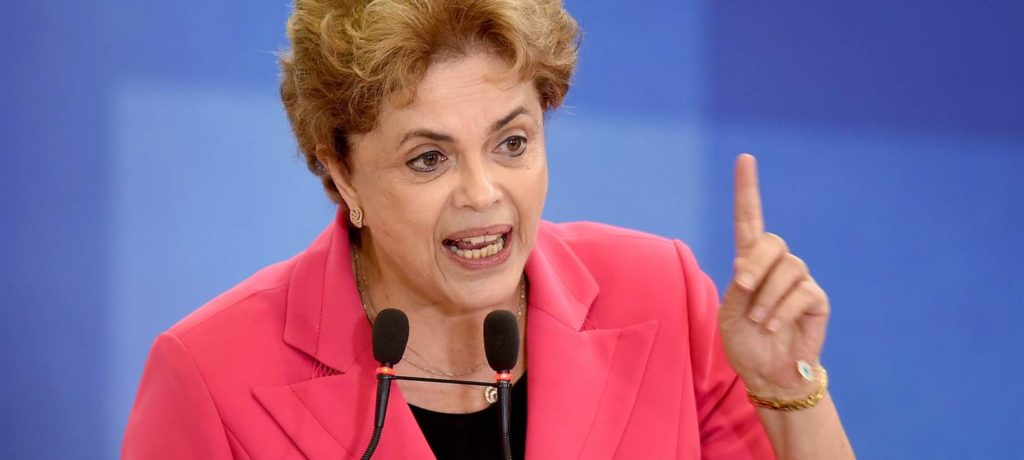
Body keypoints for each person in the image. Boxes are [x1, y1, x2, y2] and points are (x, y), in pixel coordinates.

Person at [122, 0, 854, 458]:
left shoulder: (662, 295)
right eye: (429, 158)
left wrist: (785, 391)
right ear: (343, 174)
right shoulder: (210, 378)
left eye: (512, 142)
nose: (483, 194)